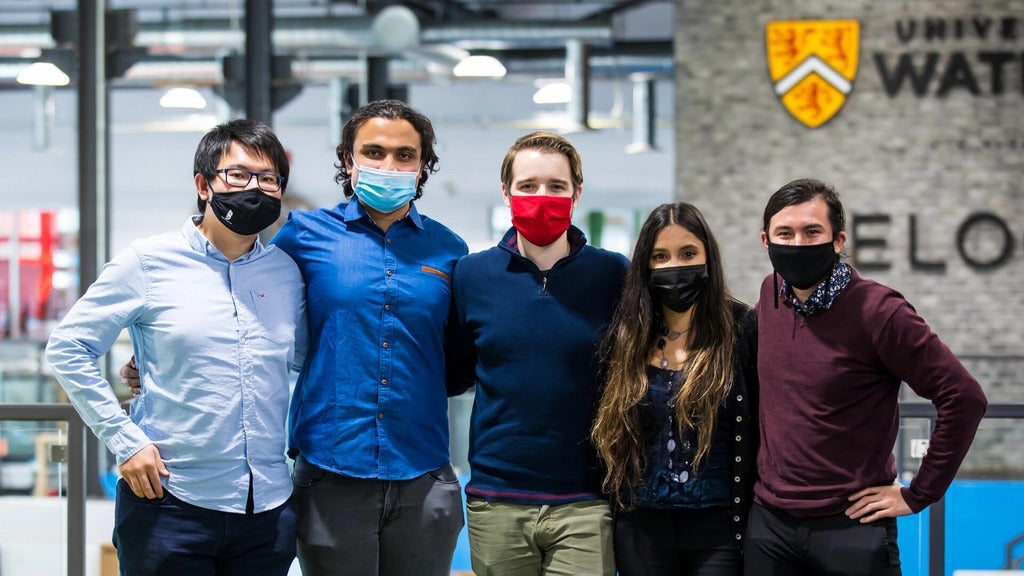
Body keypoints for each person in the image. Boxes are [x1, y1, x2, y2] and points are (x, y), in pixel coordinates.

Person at [46, 119, 305, 575]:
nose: (255, 189)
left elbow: (303, 359)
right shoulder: (148, 262)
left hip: (266, 509)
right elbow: (68, 347)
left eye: (269, 179)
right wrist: (125, 442)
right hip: (169, 504)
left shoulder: (286, 273)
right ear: (204, 185)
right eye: (239, 175)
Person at [746, 178, 988, 575]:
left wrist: (919, 493)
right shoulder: (770, 294)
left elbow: (964, 397)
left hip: (851, 525)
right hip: (769, 527)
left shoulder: (880, 311)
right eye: (785, 233)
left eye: (812, 232)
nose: (798, 244)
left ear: (838, 240)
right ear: (765, 241)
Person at [272, 99, 467, 576]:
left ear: (422, 166)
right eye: (374, 152)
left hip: (422, 471)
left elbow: (467, 348)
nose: (389, 165)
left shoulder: (449, 249)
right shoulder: (303, 236)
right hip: (330, 469)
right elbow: (244, 304)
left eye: (405, 155)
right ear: (348, 159)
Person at [446, 131, 628, 575]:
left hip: (587, 499)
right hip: (498, 498)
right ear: (506, 192)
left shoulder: (612, 274)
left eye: (556, 186)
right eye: (528, 185)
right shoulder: (472, 275)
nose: (542, 196)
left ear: (576, 194)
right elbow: (458, 372)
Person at [591, 202, 758, 576]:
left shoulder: (741, 329)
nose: (674, 266)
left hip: (718, 527)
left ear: (708, 258)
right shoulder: (626, 338)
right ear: (645, 265)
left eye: (687, 253)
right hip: (640, 525)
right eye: (660, 256)